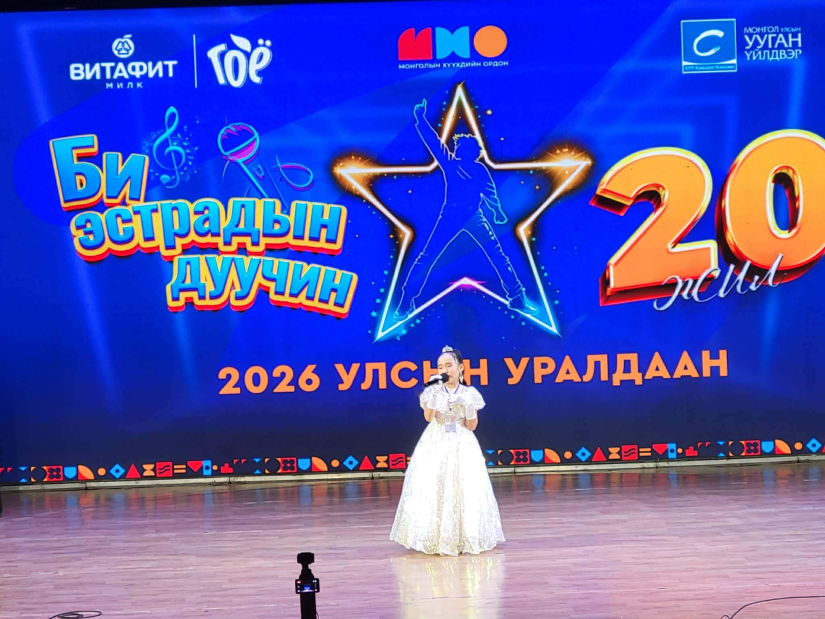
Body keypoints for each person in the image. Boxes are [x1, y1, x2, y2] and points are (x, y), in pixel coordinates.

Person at [394, 98, 538, 321]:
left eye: (460, 147)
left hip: (474, 217)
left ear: (472, 151)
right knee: (427, 257)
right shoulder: (451, 164)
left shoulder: (478, 169)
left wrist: (497, 212)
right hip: (451, 216)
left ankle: (517, 298)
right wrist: (421, 120)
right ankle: (405, 303)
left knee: (498, 257)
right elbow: (434, 143)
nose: (456, 149)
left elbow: (489, 191)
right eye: (457, 147)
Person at [390, 345, 505, 555]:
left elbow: (472, 426)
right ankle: (433, 537)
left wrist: (468, 407)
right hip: (435, 441)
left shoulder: (470, 393)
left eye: (449, 365)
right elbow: (428, 417)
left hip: (463, 443)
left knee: (464, 487)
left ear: (460, 367)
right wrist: (434, 392)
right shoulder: (432, 391)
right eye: (440, 366)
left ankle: (463, 537)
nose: (445, 369)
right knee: (434, 485)